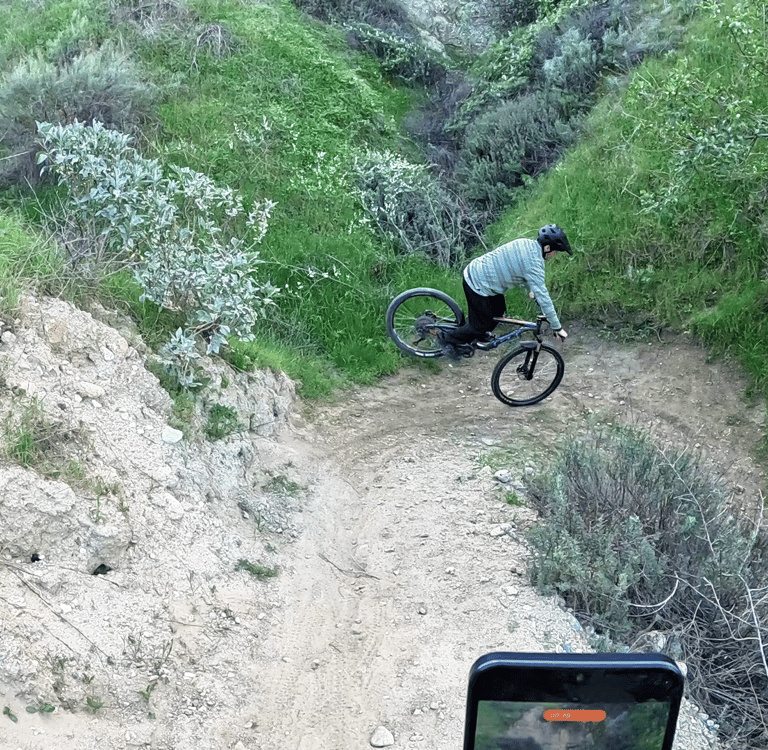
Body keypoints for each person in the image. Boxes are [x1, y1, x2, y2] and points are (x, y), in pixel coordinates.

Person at [438, 224, 572, 358]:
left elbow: (522, 271)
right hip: (477, 282)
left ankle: (477, 335)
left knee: (499, 312)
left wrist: (531, 289)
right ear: (547, 248)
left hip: (486, 278)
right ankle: (447, 340)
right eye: (556, 252)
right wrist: (557, 327)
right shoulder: (535, 263)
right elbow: (544, 297)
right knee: (478, 326)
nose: (555, 255)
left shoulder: (526, 243)